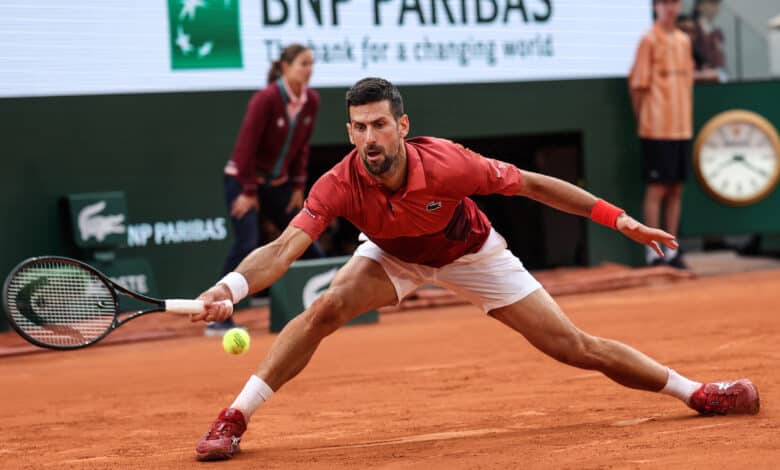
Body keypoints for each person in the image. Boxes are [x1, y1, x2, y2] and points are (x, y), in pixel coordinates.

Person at [191, 78, 760, 461]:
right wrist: (230, 286)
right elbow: (284, 250)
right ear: (349, 133)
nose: (370, 138)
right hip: (394, 255)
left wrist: (620, 222)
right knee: (324, 310)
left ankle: (698, 392)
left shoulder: (450, 165)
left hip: (472, 255)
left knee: (573, 347)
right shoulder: (338, 183)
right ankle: (235, 417)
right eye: (359, 128)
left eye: (380, 126)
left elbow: (536, 186)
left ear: (402, 126)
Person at [209, 43, 323, 336]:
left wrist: (298, 185)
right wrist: (248, 191)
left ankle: (327, 306)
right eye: (303, 63)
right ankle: (217, 315)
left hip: (279, 186)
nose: (309, 69)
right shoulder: (266, 99)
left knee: (307, 238)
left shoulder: (311, 101)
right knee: (247, 243)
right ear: (285, 67)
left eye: (311, 63)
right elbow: (245, 148)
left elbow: (302, 149)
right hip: (243, 181)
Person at [629, 0, 694, 269]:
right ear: (656, 7)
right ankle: (652, 252)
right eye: (665, 3)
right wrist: (644, 119)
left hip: (682, 127)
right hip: (656, 127)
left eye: (674, 3)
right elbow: (637, 86)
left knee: (676, 188)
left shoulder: (683, 41)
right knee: (657, 189)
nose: (670, 8)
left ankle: (672, 250)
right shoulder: (648, 40)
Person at [692, 0, 727, 82]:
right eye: (712, 3)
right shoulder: (692, 30)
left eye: (717, 4)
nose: (715, 8)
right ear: (699, 6)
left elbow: (721, 61)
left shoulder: (717, 34)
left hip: (716, 80)